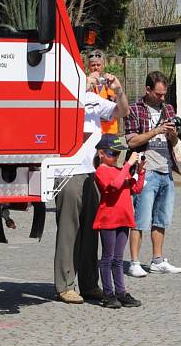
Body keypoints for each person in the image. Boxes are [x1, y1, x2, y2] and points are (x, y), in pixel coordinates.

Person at [54, 71, 129, 304]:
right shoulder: (65, 96)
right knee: (69, 232)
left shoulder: (94, 99)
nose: (96, 74)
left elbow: (121, 111)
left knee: (91, 231)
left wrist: (118, 91)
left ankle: (88, 284)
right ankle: (64, 285)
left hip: (92, 171)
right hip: (68, 170)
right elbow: (65, 117)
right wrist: (80, 88)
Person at [125, 71, 181, 277]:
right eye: (158, 94)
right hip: (144, 170)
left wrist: (172, 135)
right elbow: (131, 142)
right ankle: (134, 262)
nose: (162, 98)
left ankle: (157, 260)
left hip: (166, 169)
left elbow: (173, 143)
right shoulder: (134, 110)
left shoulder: (168, 109)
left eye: (164, 94)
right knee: (139, 219)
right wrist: (155, 131)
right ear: (147, 90)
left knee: (161, 218)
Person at [93, 134, 145, 309]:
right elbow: (114, 186)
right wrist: (128, 164)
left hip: (123, 219)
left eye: (117, 154)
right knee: (107, 258)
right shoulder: (101, 171)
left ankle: (121, 293)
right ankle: (108, 294)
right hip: (108, 220)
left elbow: (136, 188)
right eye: (112, 153)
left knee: (118, 259)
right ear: (101, 153)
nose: (116, 157)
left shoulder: (118, 170)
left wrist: (141, 170)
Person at [87, 49, 120, 135]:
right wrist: (89, 82)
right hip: (93, 130)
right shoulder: (84, 82)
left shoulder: (110, 81)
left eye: (98, 65)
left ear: (103, 65)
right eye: (93, 65)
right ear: (88, 66)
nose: (96, 68)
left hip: (110, 130)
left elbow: (118, 104)